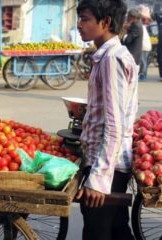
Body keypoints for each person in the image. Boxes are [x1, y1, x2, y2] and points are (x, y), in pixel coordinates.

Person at [75, 1, 138, 240]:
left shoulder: (112, 59)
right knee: (118, 230)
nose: (79, 25)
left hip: (107, 165)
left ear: (106, 22)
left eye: (85, 19)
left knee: (98, 233)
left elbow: (115, 125)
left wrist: (99, 179)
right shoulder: (110, 55)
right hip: (109, 161)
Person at [138, 5, 152, 81]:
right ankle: (144, 76)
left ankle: (142, 75)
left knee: (143, 62)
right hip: (146, 46)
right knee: (144, 62)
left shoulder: (141, 26)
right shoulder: (143, 26)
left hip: (144, 47)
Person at [154, 8, 162, 80]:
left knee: (160, 58)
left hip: (160, 42)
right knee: (160, 58)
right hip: (160, 42)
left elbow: (156, 16)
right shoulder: (159, 21)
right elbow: (156, 16)